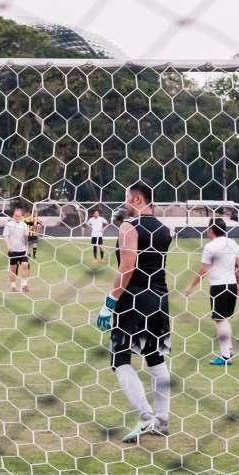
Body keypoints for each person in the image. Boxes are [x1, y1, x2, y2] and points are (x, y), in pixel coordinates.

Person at [95, 181, 173, 443]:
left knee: (120, 359)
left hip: (134, 298)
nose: (124, 202)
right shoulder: (165, 228)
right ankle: (162, 420)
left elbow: (128, 267)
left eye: (127, 198)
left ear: (137, 199)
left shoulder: (129, 226)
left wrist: (109, 302)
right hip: (160, 297)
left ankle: (146, 416)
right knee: (155, 357)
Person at [183, 219, 239, 365]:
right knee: (225, 319)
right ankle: (228, 350)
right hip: (232, 285)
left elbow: (204, 269)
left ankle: (226, 357)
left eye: (207, 228)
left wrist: (190, 286)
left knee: (220, 320)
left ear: (211, 230)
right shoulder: (232, 243)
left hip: (219, 287)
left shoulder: (210, 247)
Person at [3, 205, 32, 293]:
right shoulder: (9, 224)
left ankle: (24, 285)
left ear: (22, 216)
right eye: (16, 216)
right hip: (13, 251)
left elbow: (26, 239)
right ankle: (13, 286)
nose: (17, 217)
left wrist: (28, 248)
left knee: (25, 265)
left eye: (19, 216)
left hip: (23, 250)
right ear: (13, 215)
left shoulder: (24, 225)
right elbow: (6, 236)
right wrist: (8, 245)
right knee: (13, 269)